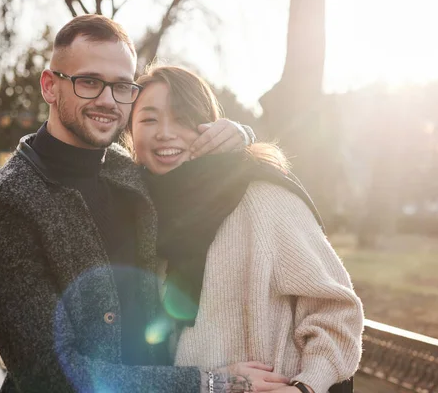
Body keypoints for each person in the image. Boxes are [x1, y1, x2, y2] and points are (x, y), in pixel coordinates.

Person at [0, 15, 287, 392]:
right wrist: (212, 383)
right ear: (50, 86)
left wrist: (239, 136)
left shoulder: (130, 172)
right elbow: (50, 376)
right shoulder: (1, 206)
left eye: (122, 86)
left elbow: (201, 182)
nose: (107, 100)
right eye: (89, 82)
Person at [127, 65, 364, 393]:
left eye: (182, 117)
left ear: (210, 129)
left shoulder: (262, 197)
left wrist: (306, 387)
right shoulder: (132, 210)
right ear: (129, 135)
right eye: (148, 119)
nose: (165, 132)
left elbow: (337, 310)